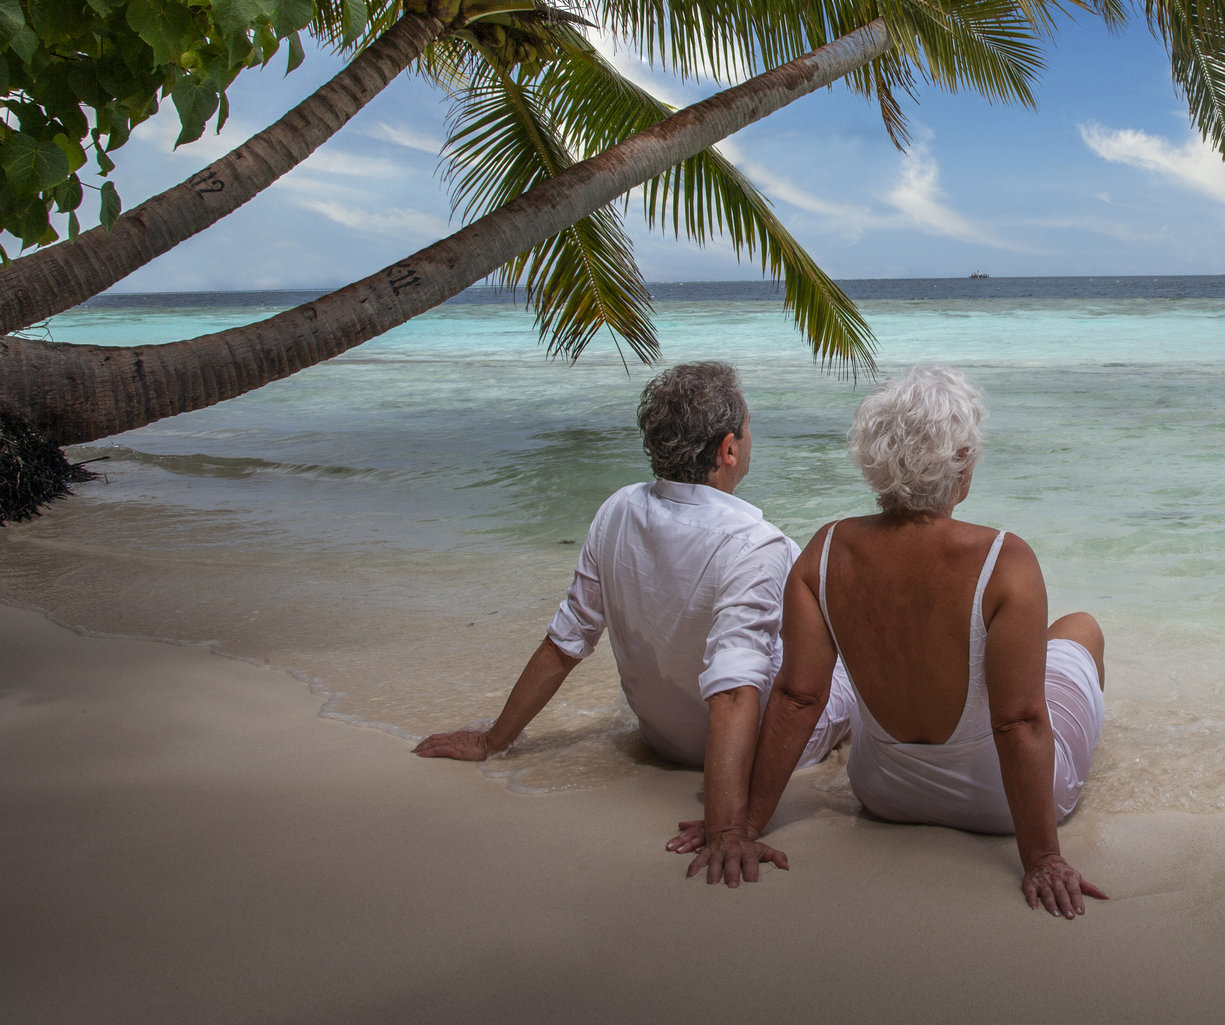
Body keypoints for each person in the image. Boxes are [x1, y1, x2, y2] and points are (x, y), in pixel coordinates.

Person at [678, 365, 1108, 918]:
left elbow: (797, 698)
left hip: (884, 793)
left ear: (874, 458)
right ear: (962, 461)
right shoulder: (1006, 559)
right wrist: (1043, 859)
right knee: (1080, 629)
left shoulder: (826, 550)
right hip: (1001, 805)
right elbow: (1019, 721)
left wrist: (740, 825)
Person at [414, 361, 852, 881]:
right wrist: (728, 830)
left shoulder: (618, 509)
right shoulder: (760, 545)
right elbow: (736, 691)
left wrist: (493, 739)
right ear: (729, 449)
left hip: (662, 739)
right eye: (748, 428)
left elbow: (566, 641)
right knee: (842, 651)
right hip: (751, 754)